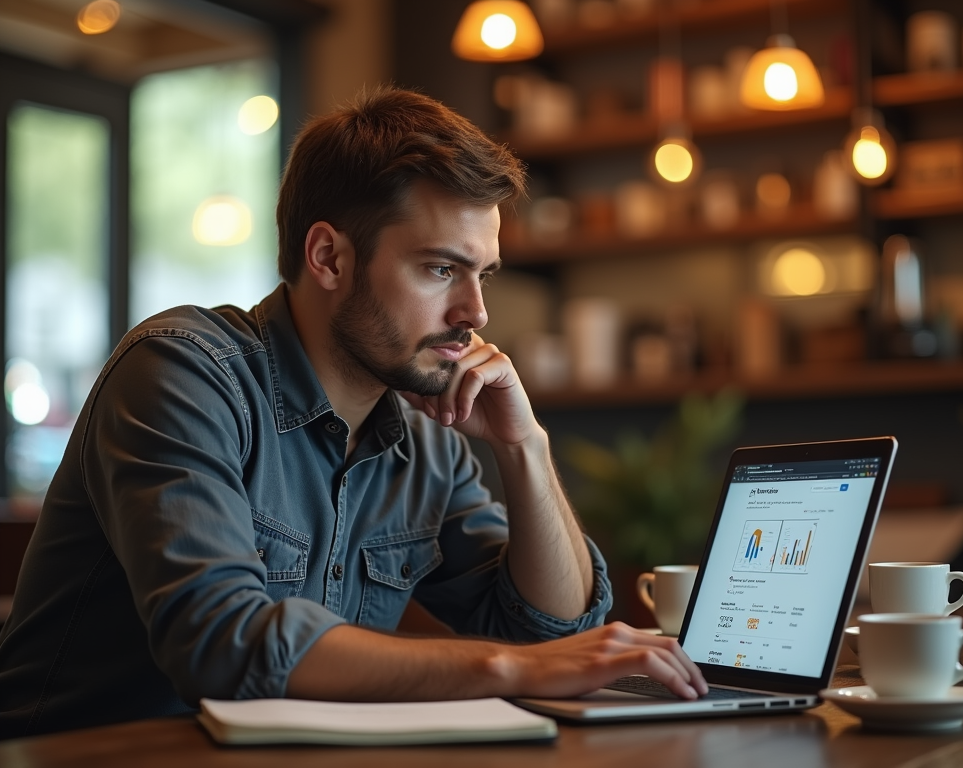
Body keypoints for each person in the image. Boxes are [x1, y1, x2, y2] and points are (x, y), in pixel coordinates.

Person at [0, 86, 706, 739]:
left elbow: (550, 634)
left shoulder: (426, 440)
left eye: (481, 273)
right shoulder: (182, 372)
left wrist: (524, 445)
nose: (476, 313)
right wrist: (506, 669)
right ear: (329, 258)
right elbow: (222, 644)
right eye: (439, 269)